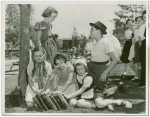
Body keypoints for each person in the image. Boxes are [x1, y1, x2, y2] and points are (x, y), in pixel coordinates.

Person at [64, 61, 132, 111]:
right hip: (84, 96)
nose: (80, 71)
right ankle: (106, 104)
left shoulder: (88, 78)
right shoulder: (76, 76)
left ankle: (119, 102)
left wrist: (68, 96)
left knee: (100, 104)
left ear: (85, 68)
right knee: (79, 103)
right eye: (78, 69)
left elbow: (81, 90)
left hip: (95, 93)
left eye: (82, 68)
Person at [87, 21, 121, 91]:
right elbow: (85, 54)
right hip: (91, 66)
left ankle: (117, 87)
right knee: (88, 89)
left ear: (98, 31)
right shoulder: (93, 41)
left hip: (101, 68)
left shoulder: (105, 42)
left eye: (92, 29)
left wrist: (105, 73)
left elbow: (115, 60)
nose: (90, 31)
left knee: (100, 90)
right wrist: (88, 44)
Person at [128, 16, 143, 82]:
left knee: (141, 63)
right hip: (135, 46)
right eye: (137, 20)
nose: (139, 22)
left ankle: (140, 77)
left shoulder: (144, 28)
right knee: (134, 63)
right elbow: (130, 27)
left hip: (142, 45)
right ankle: (138, 76)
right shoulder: (136, 29)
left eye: (140, 20)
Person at [138, 10, 146, 87]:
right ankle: (143, 82)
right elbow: (140, 39)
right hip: (144, 46)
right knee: (144, 64)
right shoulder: (142, 27)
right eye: (144, 17)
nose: (145, 18)